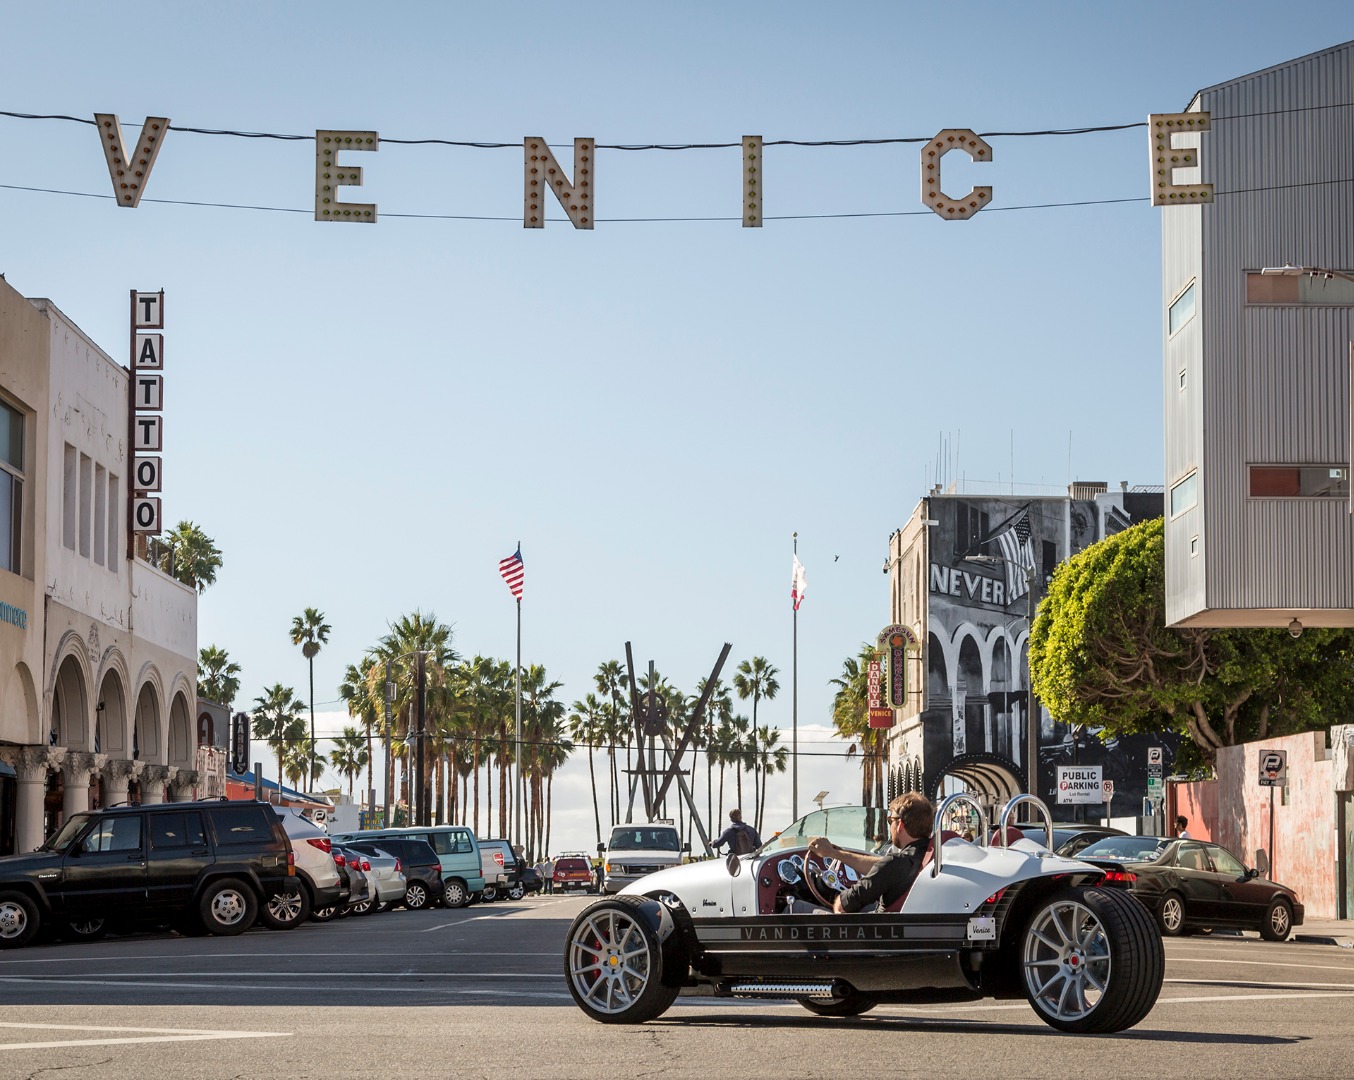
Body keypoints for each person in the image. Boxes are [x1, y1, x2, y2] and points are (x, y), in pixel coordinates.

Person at [807, 791, 934, 914]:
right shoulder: (930, 857)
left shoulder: (893, 864)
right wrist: (836, 854)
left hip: (881, 929)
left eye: (890, 820)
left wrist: (836, 895)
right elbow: (884, 867)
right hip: (909, 924)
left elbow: (841, 908)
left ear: (899, 824)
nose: (890, 826)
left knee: (799, 907)